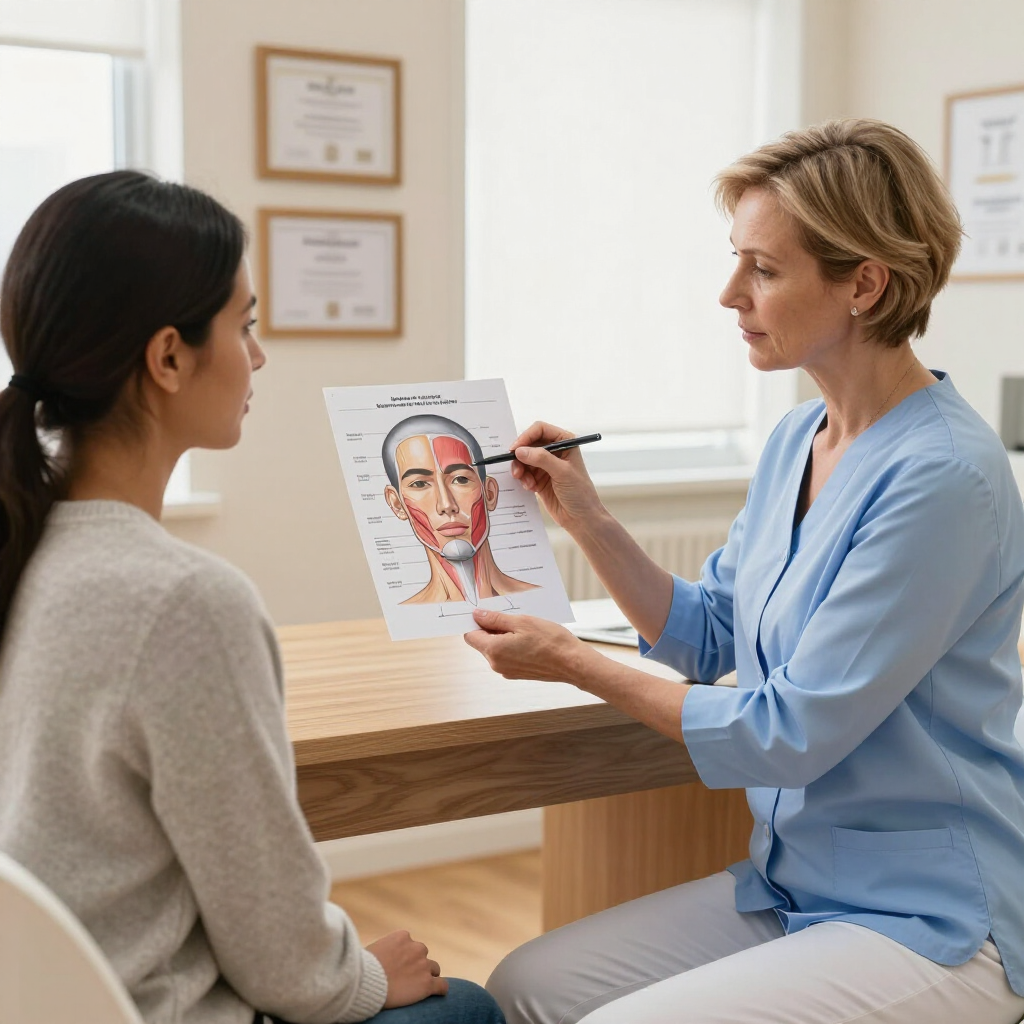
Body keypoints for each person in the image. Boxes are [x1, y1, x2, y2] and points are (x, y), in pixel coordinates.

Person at [465, 119, 1024, 1024]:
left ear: (864, 285)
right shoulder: (797, 440)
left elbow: (789, 734)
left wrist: (570, 658)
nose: (730, 293)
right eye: (737, 261)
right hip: (795, 885)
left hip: (935, 916)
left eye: (763, 269)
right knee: (527, 987)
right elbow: (709, 634)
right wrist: (588, 518)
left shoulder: (945, 478)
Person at [0, 171, 505, 1024]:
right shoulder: (183, 601)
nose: (259, 355)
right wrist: (366, 974)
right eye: (245, 325)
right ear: (167, 357)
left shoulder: (27, 545)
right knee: (468, 1007)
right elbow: (288, 964)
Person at [382, 414, 537, 605]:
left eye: (461, 479)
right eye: (420, 483)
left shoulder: (540, 599)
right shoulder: (408, 617)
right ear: (397, 504)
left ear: (489, 493)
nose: (447, 505)